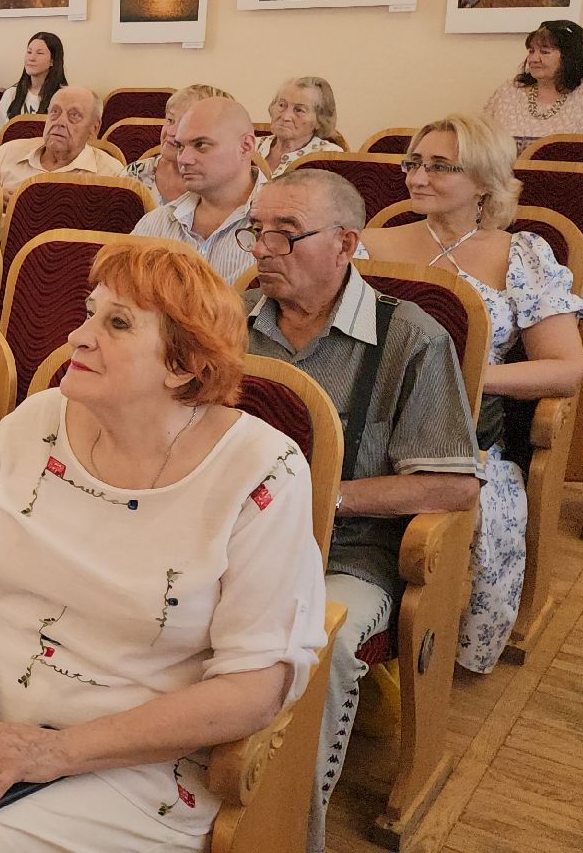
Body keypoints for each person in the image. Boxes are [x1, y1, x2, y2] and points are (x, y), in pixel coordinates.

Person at [0, 242, 327, 852]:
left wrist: (58, 750)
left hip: (124, 753)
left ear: (182, 365)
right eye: (90, 312)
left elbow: (254, 686)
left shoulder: (260, 469)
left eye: (117, 323)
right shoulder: (39, 419)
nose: (79, 336)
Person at [240, 168, 480, 852]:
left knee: (320, 646)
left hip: (348, 551)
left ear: (345, 244)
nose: (262, 248)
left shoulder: (410, 338)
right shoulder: (230, 322)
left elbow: (452, 486)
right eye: (257, 230)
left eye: (286, 234)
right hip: (231, 538)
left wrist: (323, 499)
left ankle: (286, 833)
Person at [360, 115, 583, 674]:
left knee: (484, 498)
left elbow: (566, 368)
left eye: (441, 167)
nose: (418, 177)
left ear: (485, 180)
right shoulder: (371, 244)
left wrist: (461, 378)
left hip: (465, 435)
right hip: (369, 424)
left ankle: (429, 653)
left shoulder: (521, 254)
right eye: (414, 163)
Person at [132, 97, 267, 283]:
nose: (183, 159)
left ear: (245, 147)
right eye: (180, 146)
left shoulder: (289, 226)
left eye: (201, 145)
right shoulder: (155, 224)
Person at [483, 19, 583, 153]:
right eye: (531, 51)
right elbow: (482, 145)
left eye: (544, 52)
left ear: (569, 57)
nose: (533, 59)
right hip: (509, 170)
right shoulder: (509, 91)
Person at [0, 85, 126, 197]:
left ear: (94, 128)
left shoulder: (110, 174)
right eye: (55, 112)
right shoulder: (5, 155)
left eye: (74, 115)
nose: (60, 122)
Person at [125, 84, 234, 207]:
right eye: (170, 120)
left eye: (184, 125)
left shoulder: (225, 187)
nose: (170, 131)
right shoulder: (134, 175)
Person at [259, 76, 346, 178]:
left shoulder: (327, 157)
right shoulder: (250, 146)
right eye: (282, 105)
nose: (285, 117)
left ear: (320, 120)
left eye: (299, 110)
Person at [0, 32, 69, 124]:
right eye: (29, 52)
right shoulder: (11, 94)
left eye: (39, 53)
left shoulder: (64, 97)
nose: (31, 58)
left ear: (52, 61)